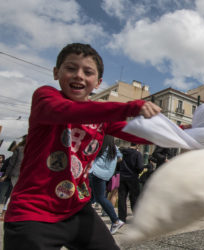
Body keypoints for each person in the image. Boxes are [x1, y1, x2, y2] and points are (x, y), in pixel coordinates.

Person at [3, 43, 161, 250]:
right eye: (70, 68)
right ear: (55, 72)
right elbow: (67, 111)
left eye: (88, 72)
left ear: (97, 83)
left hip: (77, 210)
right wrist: (130, 107)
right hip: (33, 215)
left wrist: (190, 132)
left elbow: (141, 133)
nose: (79, 75)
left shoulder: (102, 118)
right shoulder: (46, 97)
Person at [89, 135, 125, 234]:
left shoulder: (99, 146)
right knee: (93, 198)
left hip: (95, 172)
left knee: (99, 198)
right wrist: (109, 164)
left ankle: (115, 220)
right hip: (104, 175)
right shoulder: (114, 148)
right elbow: (120, 158)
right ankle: (87, 222)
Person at [0, 136, 26, 220]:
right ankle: (4, 213)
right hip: (16, 175)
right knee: (11, 194)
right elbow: (11, 163)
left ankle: (6, 213)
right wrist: (6, 175)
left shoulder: (22, 149)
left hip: (21, 175)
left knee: (12, 195)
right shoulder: (20, 149)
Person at [118, 144, 144, 223]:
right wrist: (137, 171)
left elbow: (118, 163)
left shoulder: (122, 152)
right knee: (134, 198)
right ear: (137, 145)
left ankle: (122, 218)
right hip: (133, 177)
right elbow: (140, 167)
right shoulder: (137, 154)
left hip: (122, 177)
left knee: (122, 198)